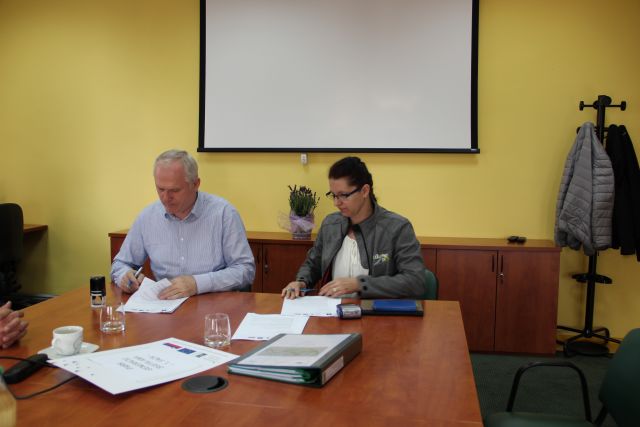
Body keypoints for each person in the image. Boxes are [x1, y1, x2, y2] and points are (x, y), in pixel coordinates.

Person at [111, 150, 255, 299]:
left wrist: (198, 284)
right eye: (160, 189)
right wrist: (125, 276)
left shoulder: (224, 214)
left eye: (175, 190)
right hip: (164, 304)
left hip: (214, 303)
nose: (165, 198)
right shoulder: (147, 217)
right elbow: (120, 264)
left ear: (195, 184)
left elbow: (245, 270)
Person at [282, 156, 427, 299]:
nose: (336, 203)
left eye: (343, 195)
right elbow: (313, 264)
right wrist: (301, 282)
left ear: (364, 191)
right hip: (332, 310)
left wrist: (360, 284)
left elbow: (415, 282)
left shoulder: (397, 228)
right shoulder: (330, 225)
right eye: (333, 195)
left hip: (377, 311)